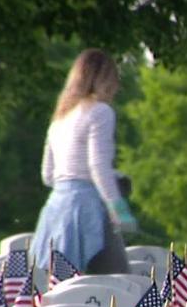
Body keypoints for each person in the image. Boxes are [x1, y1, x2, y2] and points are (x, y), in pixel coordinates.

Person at [31, 48, 136, 274]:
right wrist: (118, 208)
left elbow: (48, 175)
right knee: (116, 285)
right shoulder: (100, 112)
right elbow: (97, 166)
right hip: (87, 210)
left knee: (56, 283)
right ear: (104, 79)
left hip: (56, 210)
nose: (117, 87)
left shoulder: (60, 118)